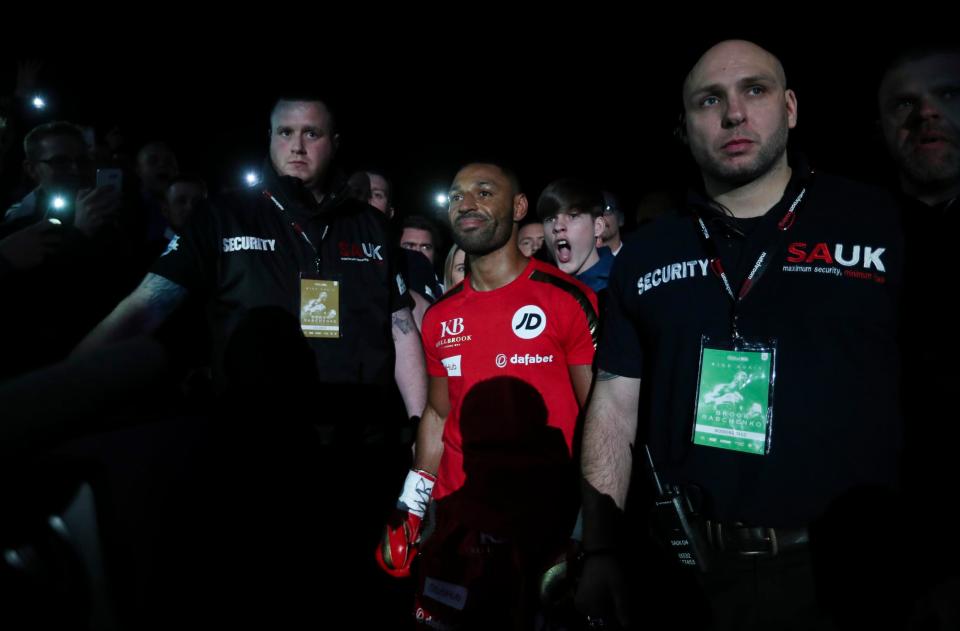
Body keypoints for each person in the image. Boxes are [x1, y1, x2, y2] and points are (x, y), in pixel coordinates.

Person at [576, 39, 906, 630]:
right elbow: (614, 404)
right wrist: (600, 549)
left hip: (852, 575)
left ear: (791, 107)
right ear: (684, 127)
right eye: (710, 100)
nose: (733, 113)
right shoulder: (649, 250)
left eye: (755, 90)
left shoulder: (879, 220)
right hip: (684, 576)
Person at [75, 96, 426, 418]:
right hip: (253, 436)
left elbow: (402, 330)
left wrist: (419, 427)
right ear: (270, 137)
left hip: (360, 436)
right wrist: (63, 379)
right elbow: (144, 307)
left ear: (334, 143)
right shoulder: (222, 216)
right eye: (285, 132)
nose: (297, 146)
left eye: (312, 133)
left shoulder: (370, 225)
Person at [378, 161, 598, 629]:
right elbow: (438, 414)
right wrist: (411, 505)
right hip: (459, 524)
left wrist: (589, 529)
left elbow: (600, 417)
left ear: (518, 207)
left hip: (545, 527)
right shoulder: (440, 316)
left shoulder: (567, 299)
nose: (467, 205)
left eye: (483, 192)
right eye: (457, 196)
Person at [537, 178, 613, 292]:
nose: (557, 226)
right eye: (551, 219)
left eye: (573, 216)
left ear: (598, 227)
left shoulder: (622, 282)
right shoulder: (541, 290)